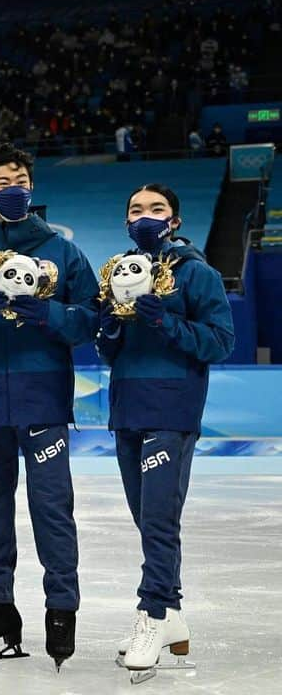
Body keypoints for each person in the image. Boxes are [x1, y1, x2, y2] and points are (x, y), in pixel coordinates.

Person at [0, 143, 99, 669]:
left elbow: (93, 319)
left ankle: (61, 608)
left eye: (23, 180)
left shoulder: (62, 252)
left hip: (43, 398)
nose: (16, 189)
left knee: (52, 509)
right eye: (5, 182)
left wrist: (49, 315)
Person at [98, 184, 233, 681]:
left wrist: (165, 321)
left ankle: (152, 613)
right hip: (127, 407)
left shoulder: (197, 273)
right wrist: (110, 325)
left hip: (172, 409)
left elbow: (220, 341)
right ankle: (172, 616)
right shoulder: (117, 273)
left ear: (174, 220)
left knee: (158, 518)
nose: (145, 217)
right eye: (135, 209)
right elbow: (109, 351)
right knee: (146, 518)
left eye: (156, 209)